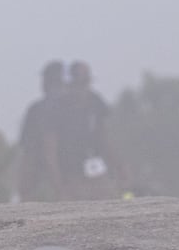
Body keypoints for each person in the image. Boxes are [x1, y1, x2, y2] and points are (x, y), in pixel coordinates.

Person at [46, 61, 131, 200]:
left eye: (85, 83)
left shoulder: (94, 102)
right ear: (69, 84)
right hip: (70, 175)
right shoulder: (56, 109)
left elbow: (104, 138)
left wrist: (120, 166)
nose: (82, 88)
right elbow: (50, 150)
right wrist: (58, 187)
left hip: (95, 171)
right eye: (79, 83)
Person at [16, 61, 66, 201]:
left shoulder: (39, 109)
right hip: (48, 181)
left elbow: (31, 155)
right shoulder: (39, 109)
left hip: (51, 181)